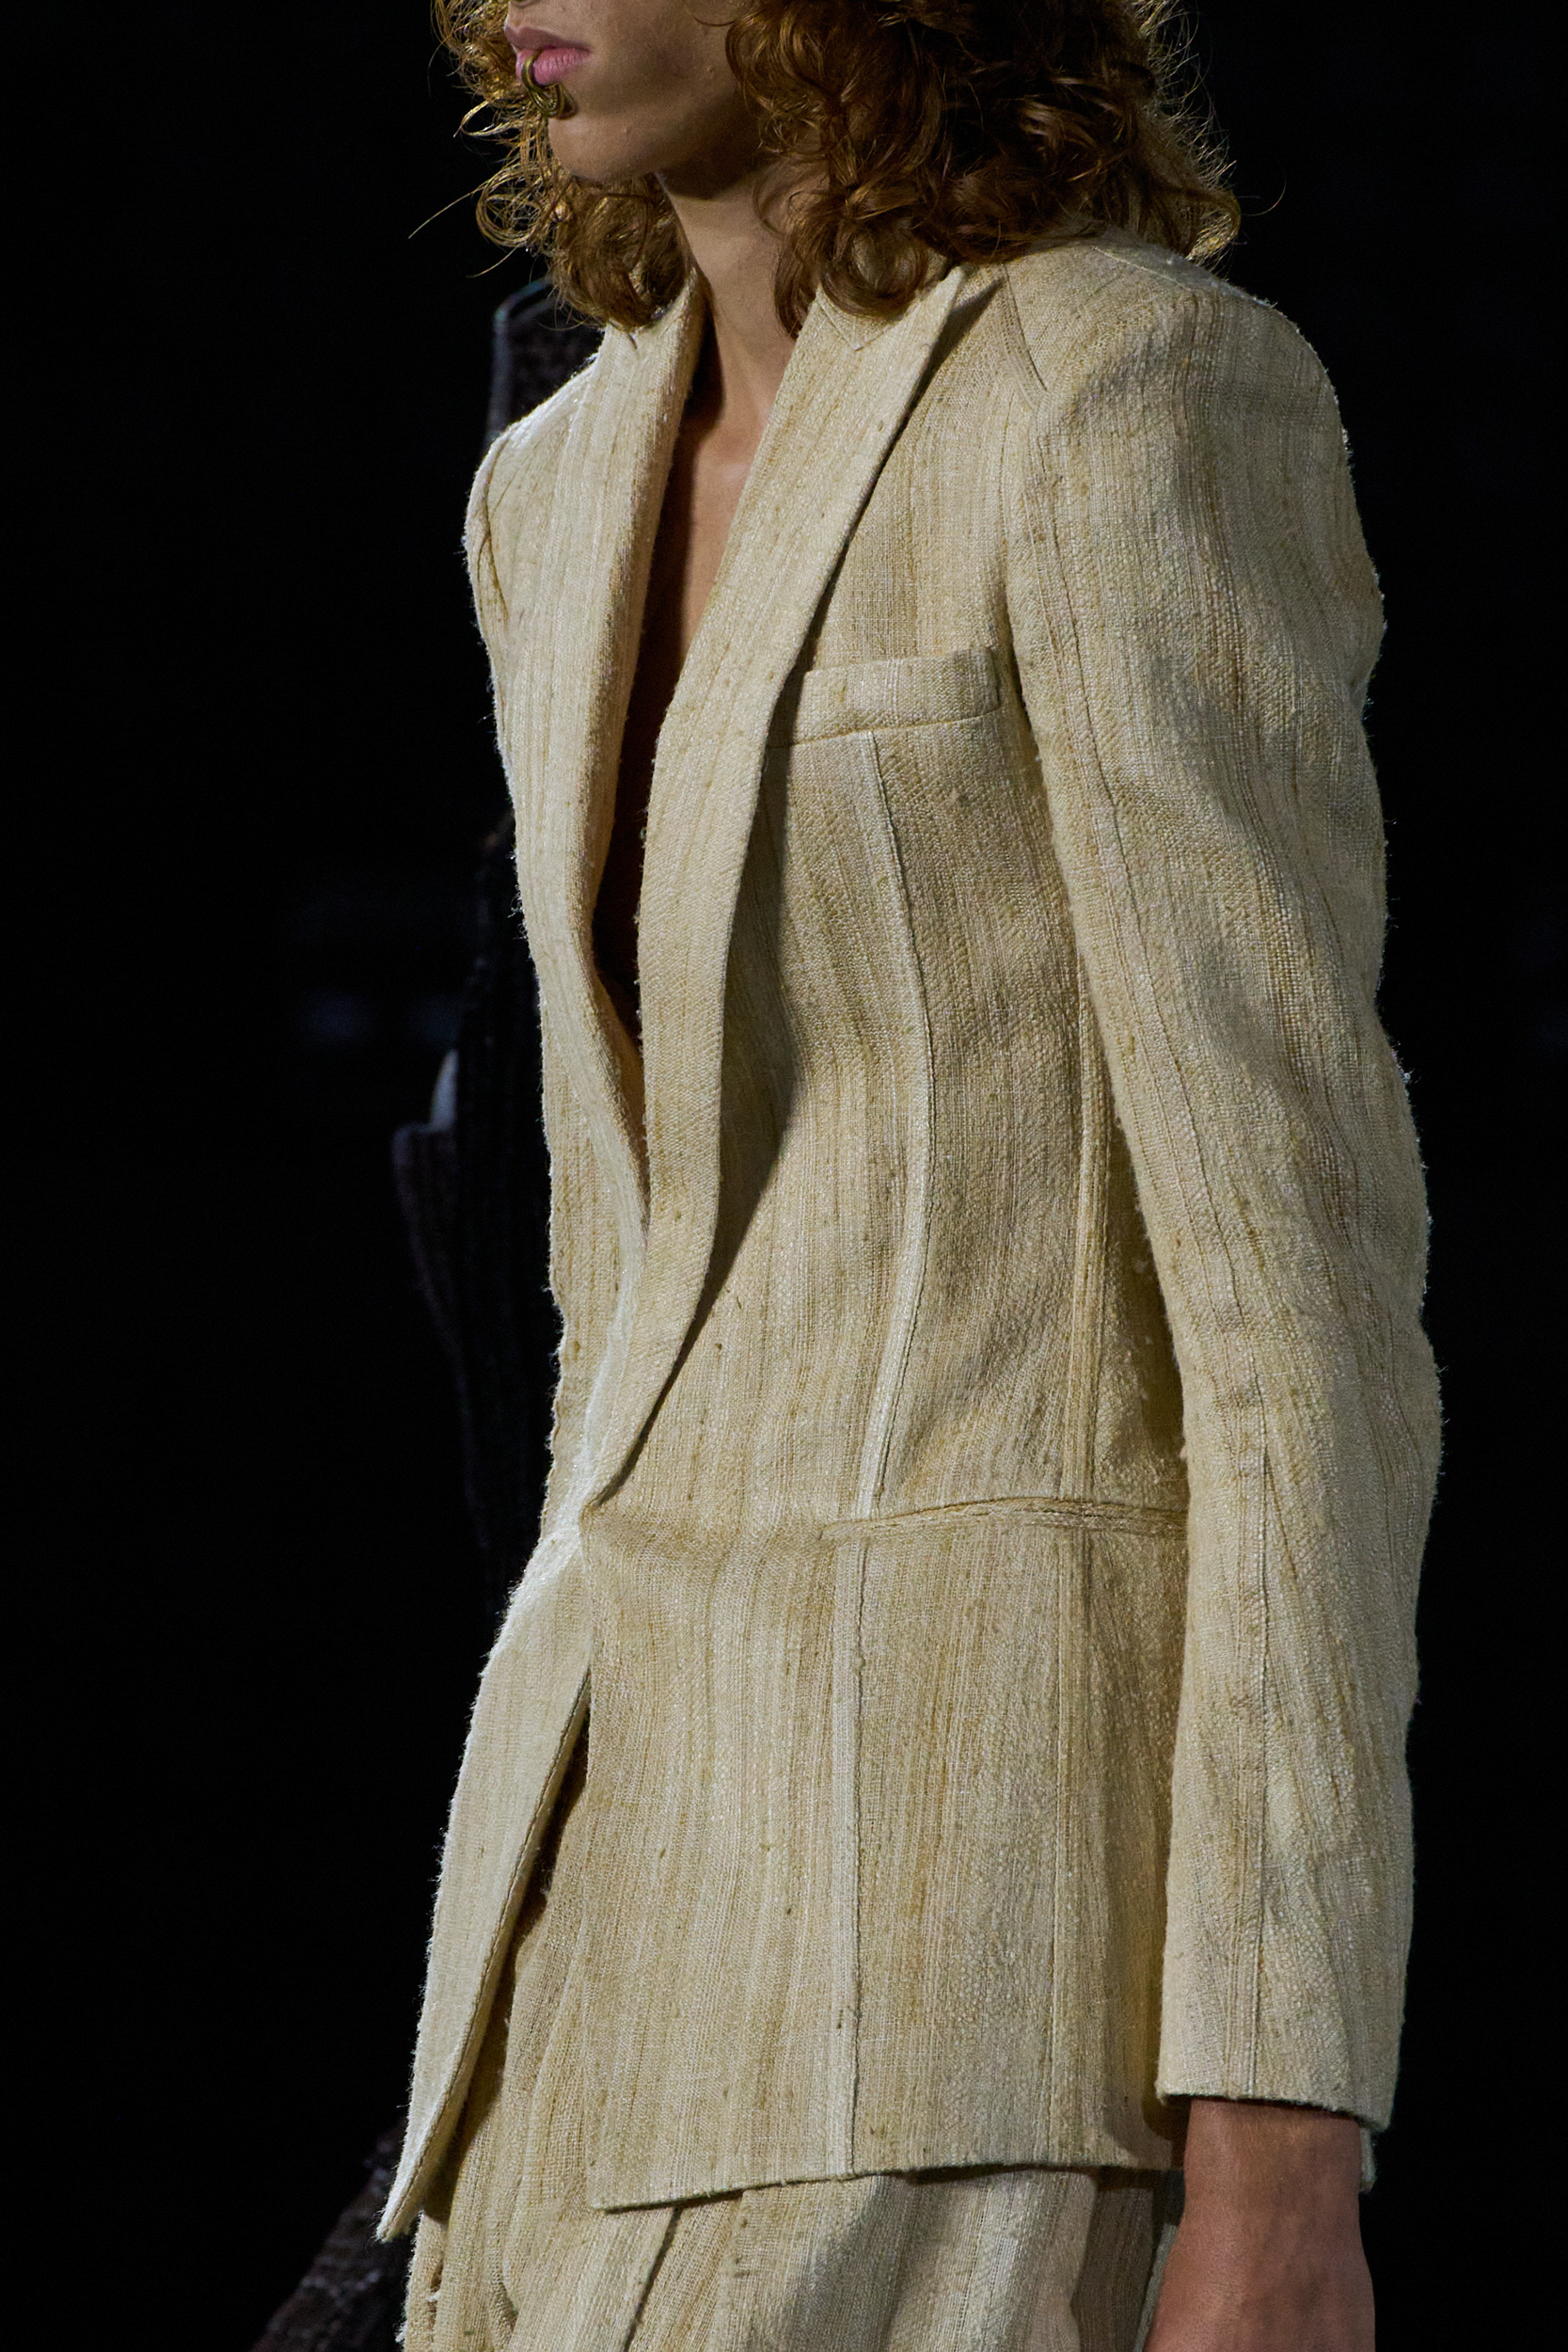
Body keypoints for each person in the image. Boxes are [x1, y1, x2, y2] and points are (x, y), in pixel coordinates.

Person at [382, 6, 1440, 2346]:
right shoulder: (551, 485)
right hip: (572, 1951)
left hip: (969, 1926)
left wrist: (1283, 2133)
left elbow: (1297, 1297)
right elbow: (614, 1282)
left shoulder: (1120, 388)